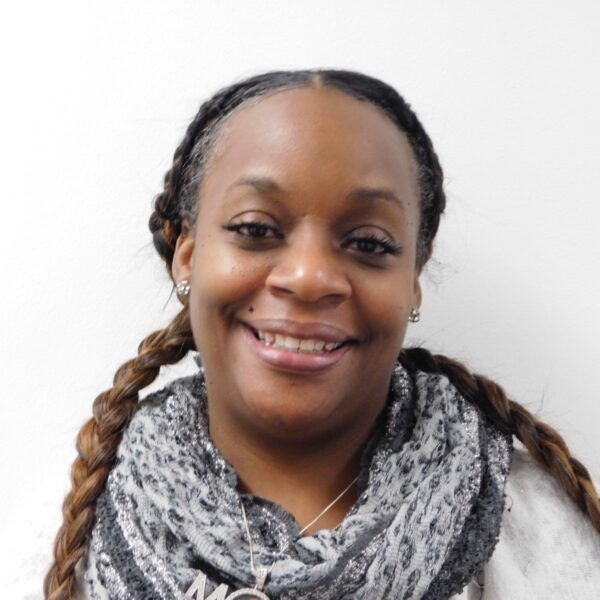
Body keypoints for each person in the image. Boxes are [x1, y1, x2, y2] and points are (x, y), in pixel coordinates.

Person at [43, 69, 600, 599]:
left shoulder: (530, 528)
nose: (308, 278)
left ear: (413, 282)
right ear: (187, 257)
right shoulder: (68, 521)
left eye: (370, 243)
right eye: (256, 229)